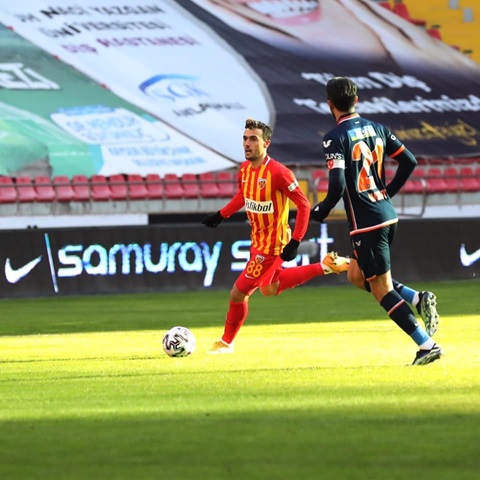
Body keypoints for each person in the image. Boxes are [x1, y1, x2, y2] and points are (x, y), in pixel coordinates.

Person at [311, 76, 442, 366]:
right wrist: (386, 193)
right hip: (385, 214)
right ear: (356, 100)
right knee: (356, 276)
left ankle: (427, 345)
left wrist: (320, 210)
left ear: (330, 104)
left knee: (381, 289)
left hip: (367, 222)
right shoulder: (378, 128)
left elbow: (337, 186)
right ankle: (417, 298)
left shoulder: (334, 137)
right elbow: (409, 161)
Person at [202, 117, 350, 354]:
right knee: (269, 289)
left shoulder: (279, 173)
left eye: (253, 139)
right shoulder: (245, 170)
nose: (247, 143)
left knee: (238, 293)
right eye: (245, 139)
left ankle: (226, 343)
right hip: (257, 241)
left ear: (266, 143)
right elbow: (243, 195)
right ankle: (326, 266)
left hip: (273, 245)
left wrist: (295, 241)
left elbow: (303, 205)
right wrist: (221, 215)